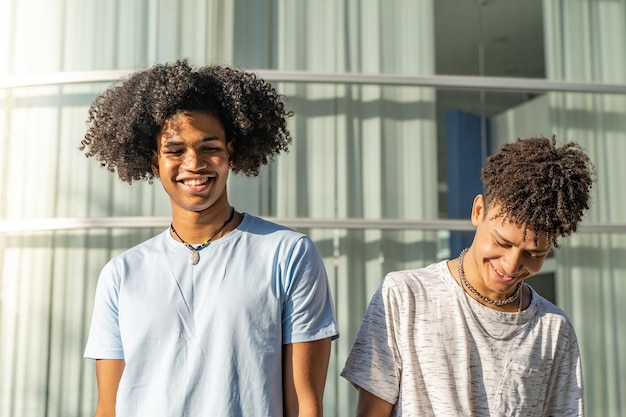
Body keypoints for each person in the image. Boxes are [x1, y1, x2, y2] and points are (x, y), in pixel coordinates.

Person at [82, 60, 339, 417]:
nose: (194, 163)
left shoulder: (288, 254)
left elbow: (305, 404)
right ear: (155, 162)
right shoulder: (121, 273)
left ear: (230, 153)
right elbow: (108, 408)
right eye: (175, 150)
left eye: (210, 147)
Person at [341, 136, 595, 417]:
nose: (511, 266)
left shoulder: (553, 330)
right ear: (478, 211)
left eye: (533, 255)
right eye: (502, 243)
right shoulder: (404, 295)